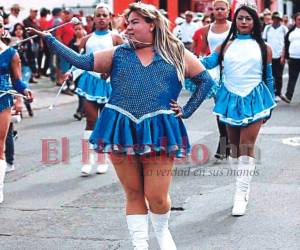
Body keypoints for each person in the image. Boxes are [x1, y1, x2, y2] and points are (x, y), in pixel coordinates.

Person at [28, 2, 214, 249]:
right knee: (134, 192)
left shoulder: (175, 53)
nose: (128, 28)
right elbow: (82, 61)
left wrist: (187, 110)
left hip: (160, 130)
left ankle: (162, 232)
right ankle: (140, 244)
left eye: (135, 22)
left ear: (151, 24)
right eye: (127, 23)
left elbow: (205, 81)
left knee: (157, 198)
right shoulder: (119, 53)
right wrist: (51, 41)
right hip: (120, 127)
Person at [201, 3, 276, 216]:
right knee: (233, 148)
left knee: (246, 145)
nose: (243, 22)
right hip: (229, 98)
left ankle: (240, 193)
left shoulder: (264, 47)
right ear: (235, 21)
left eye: (248, 18)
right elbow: (206, 63)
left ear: (255, 22)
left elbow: (268, 77)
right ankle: (242, 182)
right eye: (240, 18)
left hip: (255, 98)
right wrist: (180, 52)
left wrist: (271, 105)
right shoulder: (225, 45)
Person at [66, 4, 123, 176]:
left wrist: (111, 71)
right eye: (98, 15)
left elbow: (123, 61)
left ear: (109, 17)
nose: (101, 18)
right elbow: (80, 62)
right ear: (94, 18)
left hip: (109, 84)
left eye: (104, 15)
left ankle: (102, 158)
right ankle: (87, 160)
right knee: (90, 121)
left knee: (105, 122)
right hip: (90, 82)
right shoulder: (86, 39)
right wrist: (71, 73)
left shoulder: (116, 38)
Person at [0, 16, 33, 203]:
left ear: (3, 29)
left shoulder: (11, 54)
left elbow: (17, 81)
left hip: (2, 101)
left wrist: (24, 90)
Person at [199, 0, 232, 162]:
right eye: (216, 9)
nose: (219, 11)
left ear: (228, 10)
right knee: (220, 107)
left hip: (233, 70)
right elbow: (205, 51)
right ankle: (224, 141)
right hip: (215, 72)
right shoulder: (208, 29)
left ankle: (230, 142)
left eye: (222, 8)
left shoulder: (234, 27)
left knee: (229, 106)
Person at [262, 11, 288, 102]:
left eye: (278, 19)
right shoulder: (268, 28)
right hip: (269, 56)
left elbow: (286, 43)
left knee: (279, 75)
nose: (276, 20)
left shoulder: (284, 29)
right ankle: (270, 93)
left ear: (280, 20)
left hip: (280, 55)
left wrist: (283, 56)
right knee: (269, 75)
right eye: (275, 19)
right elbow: (264, 41)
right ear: (272, 19)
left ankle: (278, 93)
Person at [281, 12, 300, 104]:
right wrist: (284, 57)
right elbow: (286, 45)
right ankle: (288, 96)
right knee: (292, 78)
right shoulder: (291, 32)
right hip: (293, 58)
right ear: (295, 21)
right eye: (298, 19)